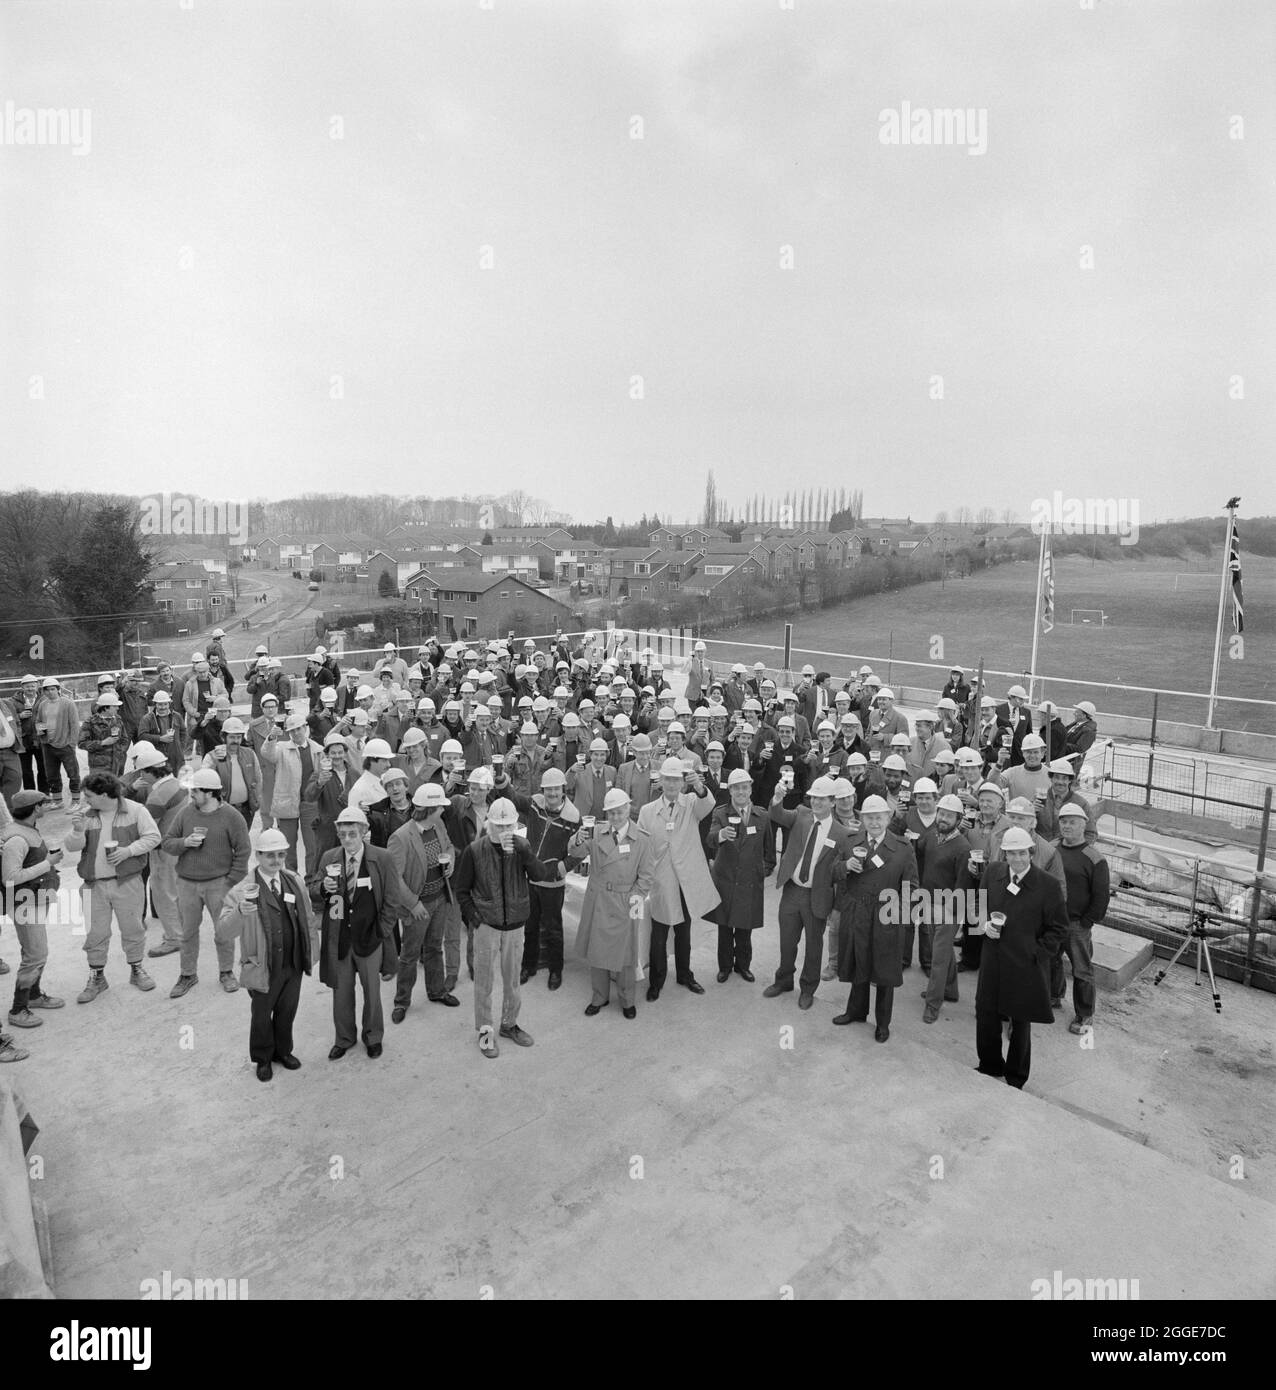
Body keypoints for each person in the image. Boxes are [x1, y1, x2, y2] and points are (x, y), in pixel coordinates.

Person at [451, 797, 565, 1059]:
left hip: (515, 927)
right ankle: (485, 1031)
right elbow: (462, 890)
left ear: (515, 825)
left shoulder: (521, 847)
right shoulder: (475, 850)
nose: (504, 832)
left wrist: (526, 852)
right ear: (489, 824)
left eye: (508, 826)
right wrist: (475, 919)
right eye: (499, 826)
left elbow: (539, 876)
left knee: (513, 981)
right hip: (487, 927)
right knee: (484, 983)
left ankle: (509, 1024)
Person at [312, 805, 410, 1060]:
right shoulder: (329, 858)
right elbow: (312, 887)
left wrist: (381, 931)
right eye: (342, 834)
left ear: (364, 831)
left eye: (352, 833)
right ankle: (344, 1038)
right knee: (341, 993)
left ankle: (373, 1037)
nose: (347, 839)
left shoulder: (383, 858)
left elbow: (392, 899)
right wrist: (323, 887)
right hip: (340, 939)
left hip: (371, 939)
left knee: (372, 993)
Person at [216, 828, 314, 1082]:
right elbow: (224, 932)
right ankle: (262, 1058)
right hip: (262, 965)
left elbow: (308, 917)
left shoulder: (294, 880)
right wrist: (240, 912)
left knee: (287, 1010)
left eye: (281, 854)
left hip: (292, 963)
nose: (276, 861)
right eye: (270, 855)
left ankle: (283, 1051)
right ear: (258, 856)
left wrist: (309, 953)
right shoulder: (241, 891)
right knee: (261, 1015)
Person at [974, 826, 1069, 1089]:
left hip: (1025, 965)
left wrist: (1037, 953)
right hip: (993, 960)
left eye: (1021, 853)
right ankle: (989, 1065)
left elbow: (1059, 928)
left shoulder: (1047, 886)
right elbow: (978, 906)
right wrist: (983, 926)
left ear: (1031, 851)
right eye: (1010, 854)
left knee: (1020, 1021)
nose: (1016, 859)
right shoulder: (993, 873)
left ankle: (1016, 1076)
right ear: (1003, 854)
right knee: (985, 1013)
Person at [64, 771, 162, 1003]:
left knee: (133, 929)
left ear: (105, 795)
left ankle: (137, 969)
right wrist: (77, 831)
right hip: (93, 885)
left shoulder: (136, 810)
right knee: (96, 933)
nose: (86, 800)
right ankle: (97, 977)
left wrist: (128, 851)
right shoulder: (87, 815)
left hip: (127, 883)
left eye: (89, 795)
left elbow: (153, 837)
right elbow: (71, 847)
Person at [832, 794, 919, 1042]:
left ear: (888, 818)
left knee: (884, 971)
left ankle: (882, 1023)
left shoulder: (903, 848)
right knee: (858, 961)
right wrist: (845, 866)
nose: (874, 822)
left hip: (886, 915)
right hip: (857, 912)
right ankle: (856, 1011)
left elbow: (912, 887)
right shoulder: (850, 842)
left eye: (879, 817)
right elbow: (831, 872)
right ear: (862, 819)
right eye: (869, 817)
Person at [764, 775, 854, 1009]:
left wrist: (838, 904)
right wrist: (777, 798)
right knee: (786, 942)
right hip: (793, 891)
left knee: (814, 947)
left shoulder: (841, 833)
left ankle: (807, 989)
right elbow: (777, 815)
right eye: (814, 798)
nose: (816, 803)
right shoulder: (802, 815)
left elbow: (843, 871)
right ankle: (783, 980)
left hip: (818, 896)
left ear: (832, 802)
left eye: (822, 799)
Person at [161, 767, 253, 998]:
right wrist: (185, 843)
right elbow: (168, 842)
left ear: (210, 793)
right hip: (187, 883)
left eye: (195, 791)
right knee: (187, 932)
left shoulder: (232, 817)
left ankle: (226, 972)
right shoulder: (185, 813)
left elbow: (243, 851)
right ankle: (187, 974)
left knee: (224, 931)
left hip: (218, 884)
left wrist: (229, 882)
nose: (191, 795)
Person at [565, 787, 652, 1019]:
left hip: (628, 900)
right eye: (611, 812)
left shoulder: (642, 839)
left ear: (628, 809)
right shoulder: (595, 833)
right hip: (599, 899)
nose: (615, 816)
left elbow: (646, 877)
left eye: (619, 811)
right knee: (597, 951)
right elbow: (576, 852)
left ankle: (626, 999)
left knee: (627, 956)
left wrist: (635, 900)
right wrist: (575, 839)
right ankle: (599, 996)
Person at [636, 757, 718, 1000]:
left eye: (676, 780)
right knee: (659, 933)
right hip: (661, 879)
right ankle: (656, 980)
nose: (672, 784)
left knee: (684, 930)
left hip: (686, 879)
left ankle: (685, 974)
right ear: (660, 781)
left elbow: (708, 803)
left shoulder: (692, 803)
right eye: (668, 779)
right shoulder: (647, 811)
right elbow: (641, 845)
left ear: (683, 782)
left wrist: (700, 787)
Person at [495, 765, 579, 990]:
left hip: (553, 883)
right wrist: (500, 777)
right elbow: (511, 796)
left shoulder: (573, 818)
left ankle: (555, 970)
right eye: (548, 790)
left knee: (553, 928)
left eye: (556, 790)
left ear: (563, 789)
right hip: (531, 878)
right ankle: (528, 965)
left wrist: (562, 868)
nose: (551, 794)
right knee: (530, 926)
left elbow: (580, 850)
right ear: (543, 790)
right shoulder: (535, 804)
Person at [387, 784, 461, 1020]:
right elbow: (394, 879)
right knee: (409, 955)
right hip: (418, 905)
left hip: (439, 897)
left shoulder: (437, 824)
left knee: (434, 948)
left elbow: (449, 845)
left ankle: (436, 991)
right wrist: (413, 904)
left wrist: (449, 859)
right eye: (440, 807)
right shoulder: (400, 838)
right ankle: (402, 1001)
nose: (443, 810)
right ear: (429, 809)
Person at [1, 791, 66, 1044]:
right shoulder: (17, 837)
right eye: (43, 804)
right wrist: (47, 863)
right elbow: (10, 878)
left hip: (36, 898)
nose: (46, 806)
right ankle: (18, 1009)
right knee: (36, 954)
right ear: (35, 808)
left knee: (35, 951)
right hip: (24, 903)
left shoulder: (25, 828)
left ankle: (34, 995)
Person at [706, 769, 776, 984]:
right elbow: (709, 840)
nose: (741, 791)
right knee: (725, 928)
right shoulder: (720, 813)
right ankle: (725, 967)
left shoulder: (762, 815)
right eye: (736, 787)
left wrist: (758, 873)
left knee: (745, 929)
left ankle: (743, 966)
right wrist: (720, 835)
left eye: (745, 787)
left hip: (749, 882)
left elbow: (769, 853)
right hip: (725, 880)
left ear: (751, 788)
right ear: (731, 790)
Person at [126, 744, 189, 961]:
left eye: (142, 771)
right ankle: (183, 932)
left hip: (164, 851)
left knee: (164, 895)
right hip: (181, 847)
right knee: (178, 893)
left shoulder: (158, 795)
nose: (140, 775)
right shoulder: (179, 785)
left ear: (149, 772)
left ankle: (174, 939)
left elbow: (147, 828)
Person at [916, 794, 973, 1024]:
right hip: (928, 902)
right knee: (944, 951)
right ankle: (950, 990)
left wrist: (951, 911)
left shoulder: (963, 847)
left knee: (938, 958)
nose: (943, 818)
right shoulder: (931, 836)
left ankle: (933, 1003)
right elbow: (917, 850)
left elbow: (963, 883)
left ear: (958, 819)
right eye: (941, 813)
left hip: (949, 908)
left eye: (949, 815)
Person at [1054, 805, 1110, 1034]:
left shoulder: (1094, 858)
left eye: (1073, 822)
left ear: (1084, 824)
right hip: (1052, 920)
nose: (1067, 826)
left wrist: (1088, 921)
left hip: (1077, 924)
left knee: (1082, 969)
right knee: (1050, 961)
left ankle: (1085, 1014)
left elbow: (1101, 895)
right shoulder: (1052, 848)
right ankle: (1054, 995)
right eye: (1063, 821)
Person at [202, 717, 261, 827]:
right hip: (222, 811)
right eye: (232, 737)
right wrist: (215, 762)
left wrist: (256, 801)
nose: (235, 741)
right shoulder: (211, 756)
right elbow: (203, 783)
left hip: (246, 810)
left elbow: (258, 778)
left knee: (242, 841)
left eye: (238, 737)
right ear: (223, 737)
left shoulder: (250, 754)